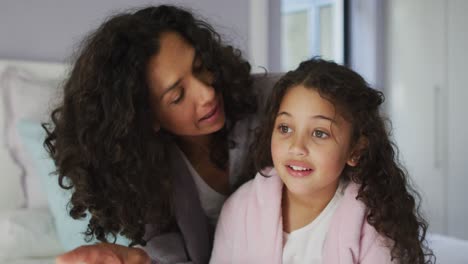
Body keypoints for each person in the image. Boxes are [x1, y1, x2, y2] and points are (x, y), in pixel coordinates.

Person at [44, 5, 276, 264]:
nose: (207, 93)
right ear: (146, 117)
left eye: (200, 67)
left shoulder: (277, 99)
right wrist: (140, 260)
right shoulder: (146, 175)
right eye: (178, 96)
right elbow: (168, 255)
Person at [210, 58, 435, 264]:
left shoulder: (374, 225)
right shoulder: (240, 209)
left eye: (319, 133)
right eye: (285, 128)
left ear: (355, 150)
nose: (297, 147)